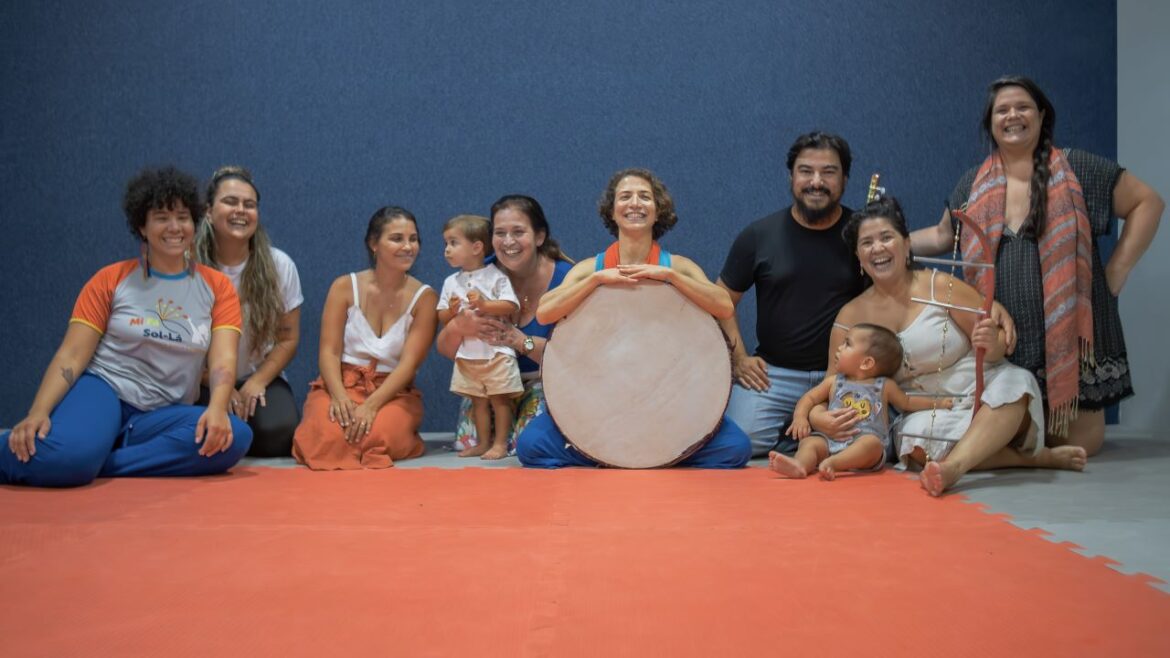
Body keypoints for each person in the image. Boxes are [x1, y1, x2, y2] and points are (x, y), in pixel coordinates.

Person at [911, 76, 1164, 456]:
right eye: (1002, 110)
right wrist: (889, 242)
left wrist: (1116, 273)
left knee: (1078, 444)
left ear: (1042, 116)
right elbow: (943, 236)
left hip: (1072, 337)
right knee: (1009, 435)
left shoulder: (1078, 167)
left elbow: (1149, 203)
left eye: (1023, 107)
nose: (1013, 115)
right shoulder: (972, 184)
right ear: (991, 123)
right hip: (1006, 341)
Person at [1, 166, 251, 487]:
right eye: (161, 217)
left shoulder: (217, 287)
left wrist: (217, 408)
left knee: (233, 436)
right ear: (141, 226)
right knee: (66, 461)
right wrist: (38, 411)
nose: (174, 227)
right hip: (105, 391)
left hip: (159, 415)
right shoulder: (111, 279)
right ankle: (71, 456)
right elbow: (72, 355)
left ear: (195, 223)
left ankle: (98, 462)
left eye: (183, 217)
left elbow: (222, 361)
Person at [836, 197, 1087, 496]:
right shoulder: (850, 315)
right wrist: (821, 416)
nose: (877, 248)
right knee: (913, 446)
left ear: (906, 245)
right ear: (858, 256)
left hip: (981, 387)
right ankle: (1029, 458)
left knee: (1015, 384)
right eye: (866, 243)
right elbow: (834, 381)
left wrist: (991, 342)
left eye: (886, 238)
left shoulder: (941, 285)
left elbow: (995, 347)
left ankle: (953, 468)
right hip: (925, 407)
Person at [515, 168, 752, 469]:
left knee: (736, 449)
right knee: (530, 446)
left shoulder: (677, 265)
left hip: (668, 405)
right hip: (600, 406)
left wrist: (669, 277)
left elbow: (723, 306)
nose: (635, 204)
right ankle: (617, 452)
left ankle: (644, 454)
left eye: (645, 197)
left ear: (657, 211)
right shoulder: (591, 267)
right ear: (612, 212)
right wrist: (597, 280)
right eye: (625, 197)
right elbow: (546, 311)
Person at [717, 131, 867, 457]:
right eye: (806, 171)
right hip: (775, 376)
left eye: (829, 172)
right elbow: (720, 300)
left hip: (844, 376)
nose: (817, 181)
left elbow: (897, 287)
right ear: (791, 177)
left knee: (867, 442)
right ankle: (807, 437)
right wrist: (739, 357)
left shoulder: (864, 235)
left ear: (844, 179)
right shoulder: (758, 235)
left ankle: (807, 436)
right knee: (744, 442)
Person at [291, 207, 437, 469]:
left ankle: (398, 433)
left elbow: (408, 366)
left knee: (374, 434)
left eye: (413, 239)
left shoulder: (425, 298)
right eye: (397, 238)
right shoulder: (343, 287)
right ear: (373, 244)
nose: (408, 247)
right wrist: (338, 396)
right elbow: (329, 352)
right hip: (340, 384)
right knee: (328, 436)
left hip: (392, 393)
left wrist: (371, 405)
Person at [436, 195, 574, 454]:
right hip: (488, 380)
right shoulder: (475, 274)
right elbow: (443, 348)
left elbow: (574, 357)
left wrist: (521, 341)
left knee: (526, 445)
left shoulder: (568, 280)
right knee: (466, 442)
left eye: (518, 232)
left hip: (544, 383)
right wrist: (458, 328)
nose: (508, 242)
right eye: (500, 233)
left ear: (539, 236)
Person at [194, 166, 303, 457]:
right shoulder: (186, 265)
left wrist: (256, 382)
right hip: (199, 377)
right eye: (230, 201)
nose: (240, 210)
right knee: (201, 433)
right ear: (208, 211)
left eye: (249, 205)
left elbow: (287, 339)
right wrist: (219, 385)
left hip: (259, 376)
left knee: (278, 435)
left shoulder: (281, 265)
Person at [769, 323, 952, 480]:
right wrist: (800, 417)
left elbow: (908, 402)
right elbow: (810, 398)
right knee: (809, 444)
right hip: (831, 439)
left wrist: (938, 404)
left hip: (865, 441)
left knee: (872, 444)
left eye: (847, 344)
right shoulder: (834, 382)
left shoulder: (884, 386)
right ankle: (800, 465)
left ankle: (835, 463)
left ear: (866, 363)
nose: (839, 348)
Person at [437, 214, 523, 460]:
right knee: (478, 402)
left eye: (453, 243)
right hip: (468, 355)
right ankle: (483, 443)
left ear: (476, 247)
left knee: (499, 400)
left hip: (496, 352)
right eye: (446, 244)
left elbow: (510, 305)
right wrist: (452, 312)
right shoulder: (450, 282)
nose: (447, 250)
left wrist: (486, 304)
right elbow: (442, 317)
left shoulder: (496, 276)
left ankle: (500, 444)